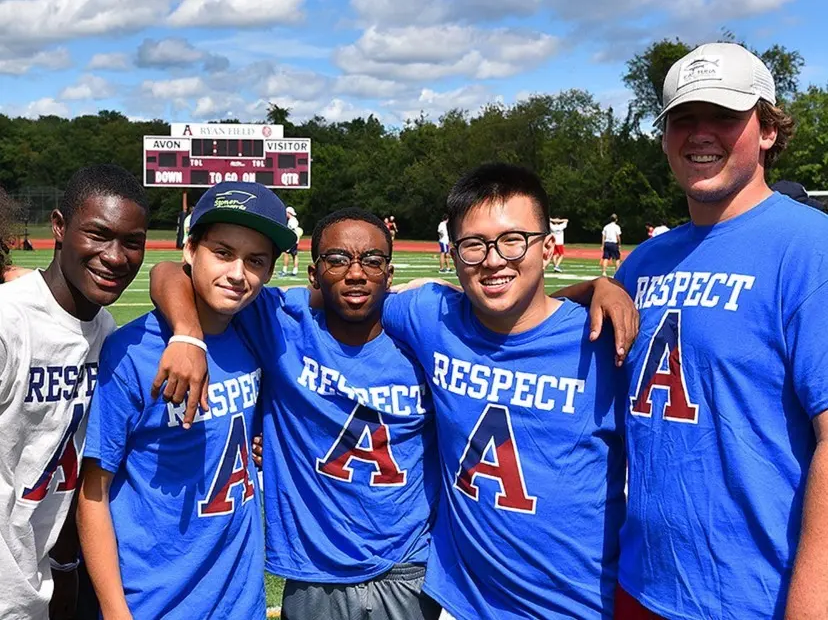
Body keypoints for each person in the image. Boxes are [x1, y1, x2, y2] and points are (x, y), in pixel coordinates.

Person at [612, 42, 828, 620]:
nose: (700, 133)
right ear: (663, 138)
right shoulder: (643, 264)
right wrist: (592, 288)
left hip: (757, 597)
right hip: (640, 583)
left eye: (725, 116)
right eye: (683, 118)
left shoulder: (811, 248)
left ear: (767, 131)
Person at [149, 208, 442, 620]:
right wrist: (187, 333)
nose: (356, 272)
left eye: (372, 261)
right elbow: (168, 271)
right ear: (313, 273)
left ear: (389, 274)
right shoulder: (282, 323)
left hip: (406, 566)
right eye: (338, 260)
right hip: (315, 571)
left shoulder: (422, 337)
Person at [380, 163, 628, 619]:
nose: (494, 259)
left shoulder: (604, 340)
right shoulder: (430, 316)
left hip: (575, 605)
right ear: (453, 253)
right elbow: (341, 305)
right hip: (461, 602)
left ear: (547, 246)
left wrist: (600, 286)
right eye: (474, 245)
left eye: (513, 240)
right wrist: (198, 329)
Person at [76, 182, 296, 619]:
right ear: (190, 249)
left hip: (239, 601)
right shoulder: (133, 351)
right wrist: (117, 612)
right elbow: (93, 493)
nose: (237, 273)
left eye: (256, 261)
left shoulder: (255, 328)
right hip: (154, 601)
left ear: (270, 270)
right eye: (223, 252)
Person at [0, 164, 148, 620]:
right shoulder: (10, 323)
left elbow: (65, 457)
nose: (116, 256)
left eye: (132, 242)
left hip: (38, 585)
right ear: (59, 228)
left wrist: (65, 567)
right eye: (98, 235)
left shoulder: (104, 331)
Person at [280, 205, 301, 276]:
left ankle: (285, 270)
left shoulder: (292, 221)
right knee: (294, 255)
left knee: (286, 254)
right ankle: (295, 270)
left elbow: (291, 230)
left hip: (292, 240)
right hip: (294, 240)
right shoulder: (293, 220)